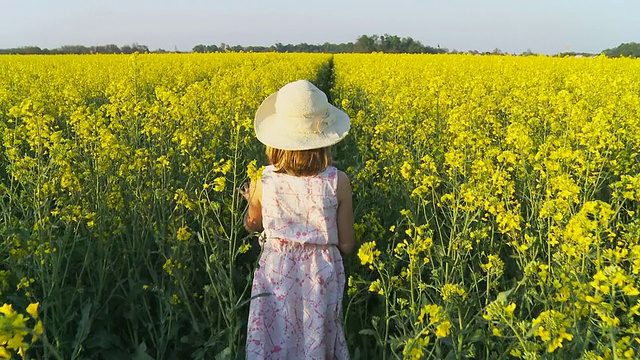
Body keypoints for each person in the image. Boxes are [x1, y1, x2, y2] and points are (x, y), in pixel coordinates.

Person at [240, 79, 355, 359]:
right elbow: (348, 245)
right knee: (315, 337)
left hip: (276, 270)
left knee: (274, 336)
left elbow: (252, 225)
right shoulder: (338, 181)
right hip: (321, 274)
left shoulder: (262, 181)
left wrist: (250, 203)